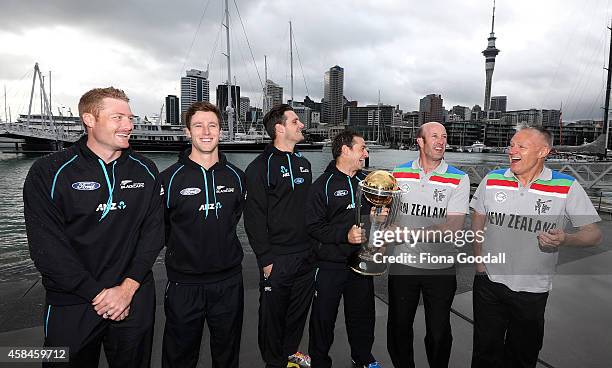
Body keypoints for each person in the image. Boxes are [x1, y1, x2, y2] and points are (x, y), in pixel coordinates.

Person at [23, 87, 164, 367]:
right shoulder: (49, 172)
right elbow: (47, 248)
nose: (129, 125)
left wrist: (126, 290)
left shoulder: (146, 169)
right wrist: (99, 295)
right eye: (118, 117)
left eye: (130, 117)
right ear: (89, 119)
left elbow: (154, 233)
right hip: (72, 301)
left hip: (133, 297)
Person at [470, 126, 602, 368]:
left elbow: (593, 234)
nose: (512, 151)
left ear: (543, 151)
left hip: (532, 291)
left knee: (521, 357)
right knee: (483, 353)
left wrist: (566, 239)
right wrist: (478, 259)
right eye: (511, 145)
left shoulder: (566, 186)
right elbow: (479, 215)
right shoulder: (492, 180)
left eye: (521, 146)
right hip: (488, 283)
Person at [160, 102, 246, 368]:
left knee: (227, 354)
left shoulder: (238, 178)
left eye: (212, 125)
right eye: (198, 125)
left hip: (229, 282)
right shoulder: (168, 179)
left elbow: (234, 217)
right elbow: (161, 229)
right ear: (188, 132)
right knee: (179, 357)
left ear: (221, 130)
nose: (206, 131)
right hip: (183, 285)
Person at [387, 122, 470, 368]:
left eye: (444, 137)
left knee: (438, 333)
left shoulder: (459, 178)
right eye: (434, 136)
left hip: (440, 268)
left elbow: (452, 227)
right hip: (403, 265)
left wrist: (406, 232)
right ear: (420, 142)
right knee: (399, 328)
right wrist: (379, 218)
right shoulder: (398, 173)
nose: (441, 141)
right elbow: (388, 216)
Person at [244, 104, 314, 368]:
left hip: (306, 255)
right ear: (279, 128)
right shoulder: (260, 167)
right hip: (277, 258)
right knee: (272, 317)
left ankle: (290, 354)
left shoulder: (304, 164)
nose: (302, 125)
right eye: (296, 121)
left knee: (297, 312)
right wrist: (266, 259)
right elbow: (254, 217)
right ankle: (273, 362)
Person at [305, 130, 383, 368]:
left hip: (360, 262)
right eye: (362, 148)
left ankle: (362, 358)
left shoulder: (367, 183)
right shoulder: (322, 185)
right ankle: (319, 362)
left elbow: (373, 219)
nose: (366, 153)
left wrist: (377, 218)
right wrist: (344, 235)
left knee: (363, 316)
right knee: (323, 318)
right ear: (345, 150)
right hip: (329, 265)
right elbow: (313, 227)